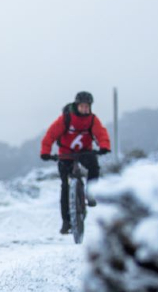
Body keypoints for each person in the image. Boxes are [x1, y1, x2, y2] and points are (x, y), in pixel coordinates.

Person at [40, 91, 111, 234]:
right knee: (65, 187)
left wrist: (104, 146)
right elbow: (51, 135)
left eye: (87, 106)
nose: (85, 109)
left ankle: (90, 193)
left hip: (85, 152)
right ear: (77, 106)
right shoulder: (66, 119)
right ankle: (66, 222)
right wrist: (45, 152)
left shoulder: (92, 120)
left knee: (94, 167)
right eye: (82, 106)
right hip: (66, 154)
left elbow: (101, 133)